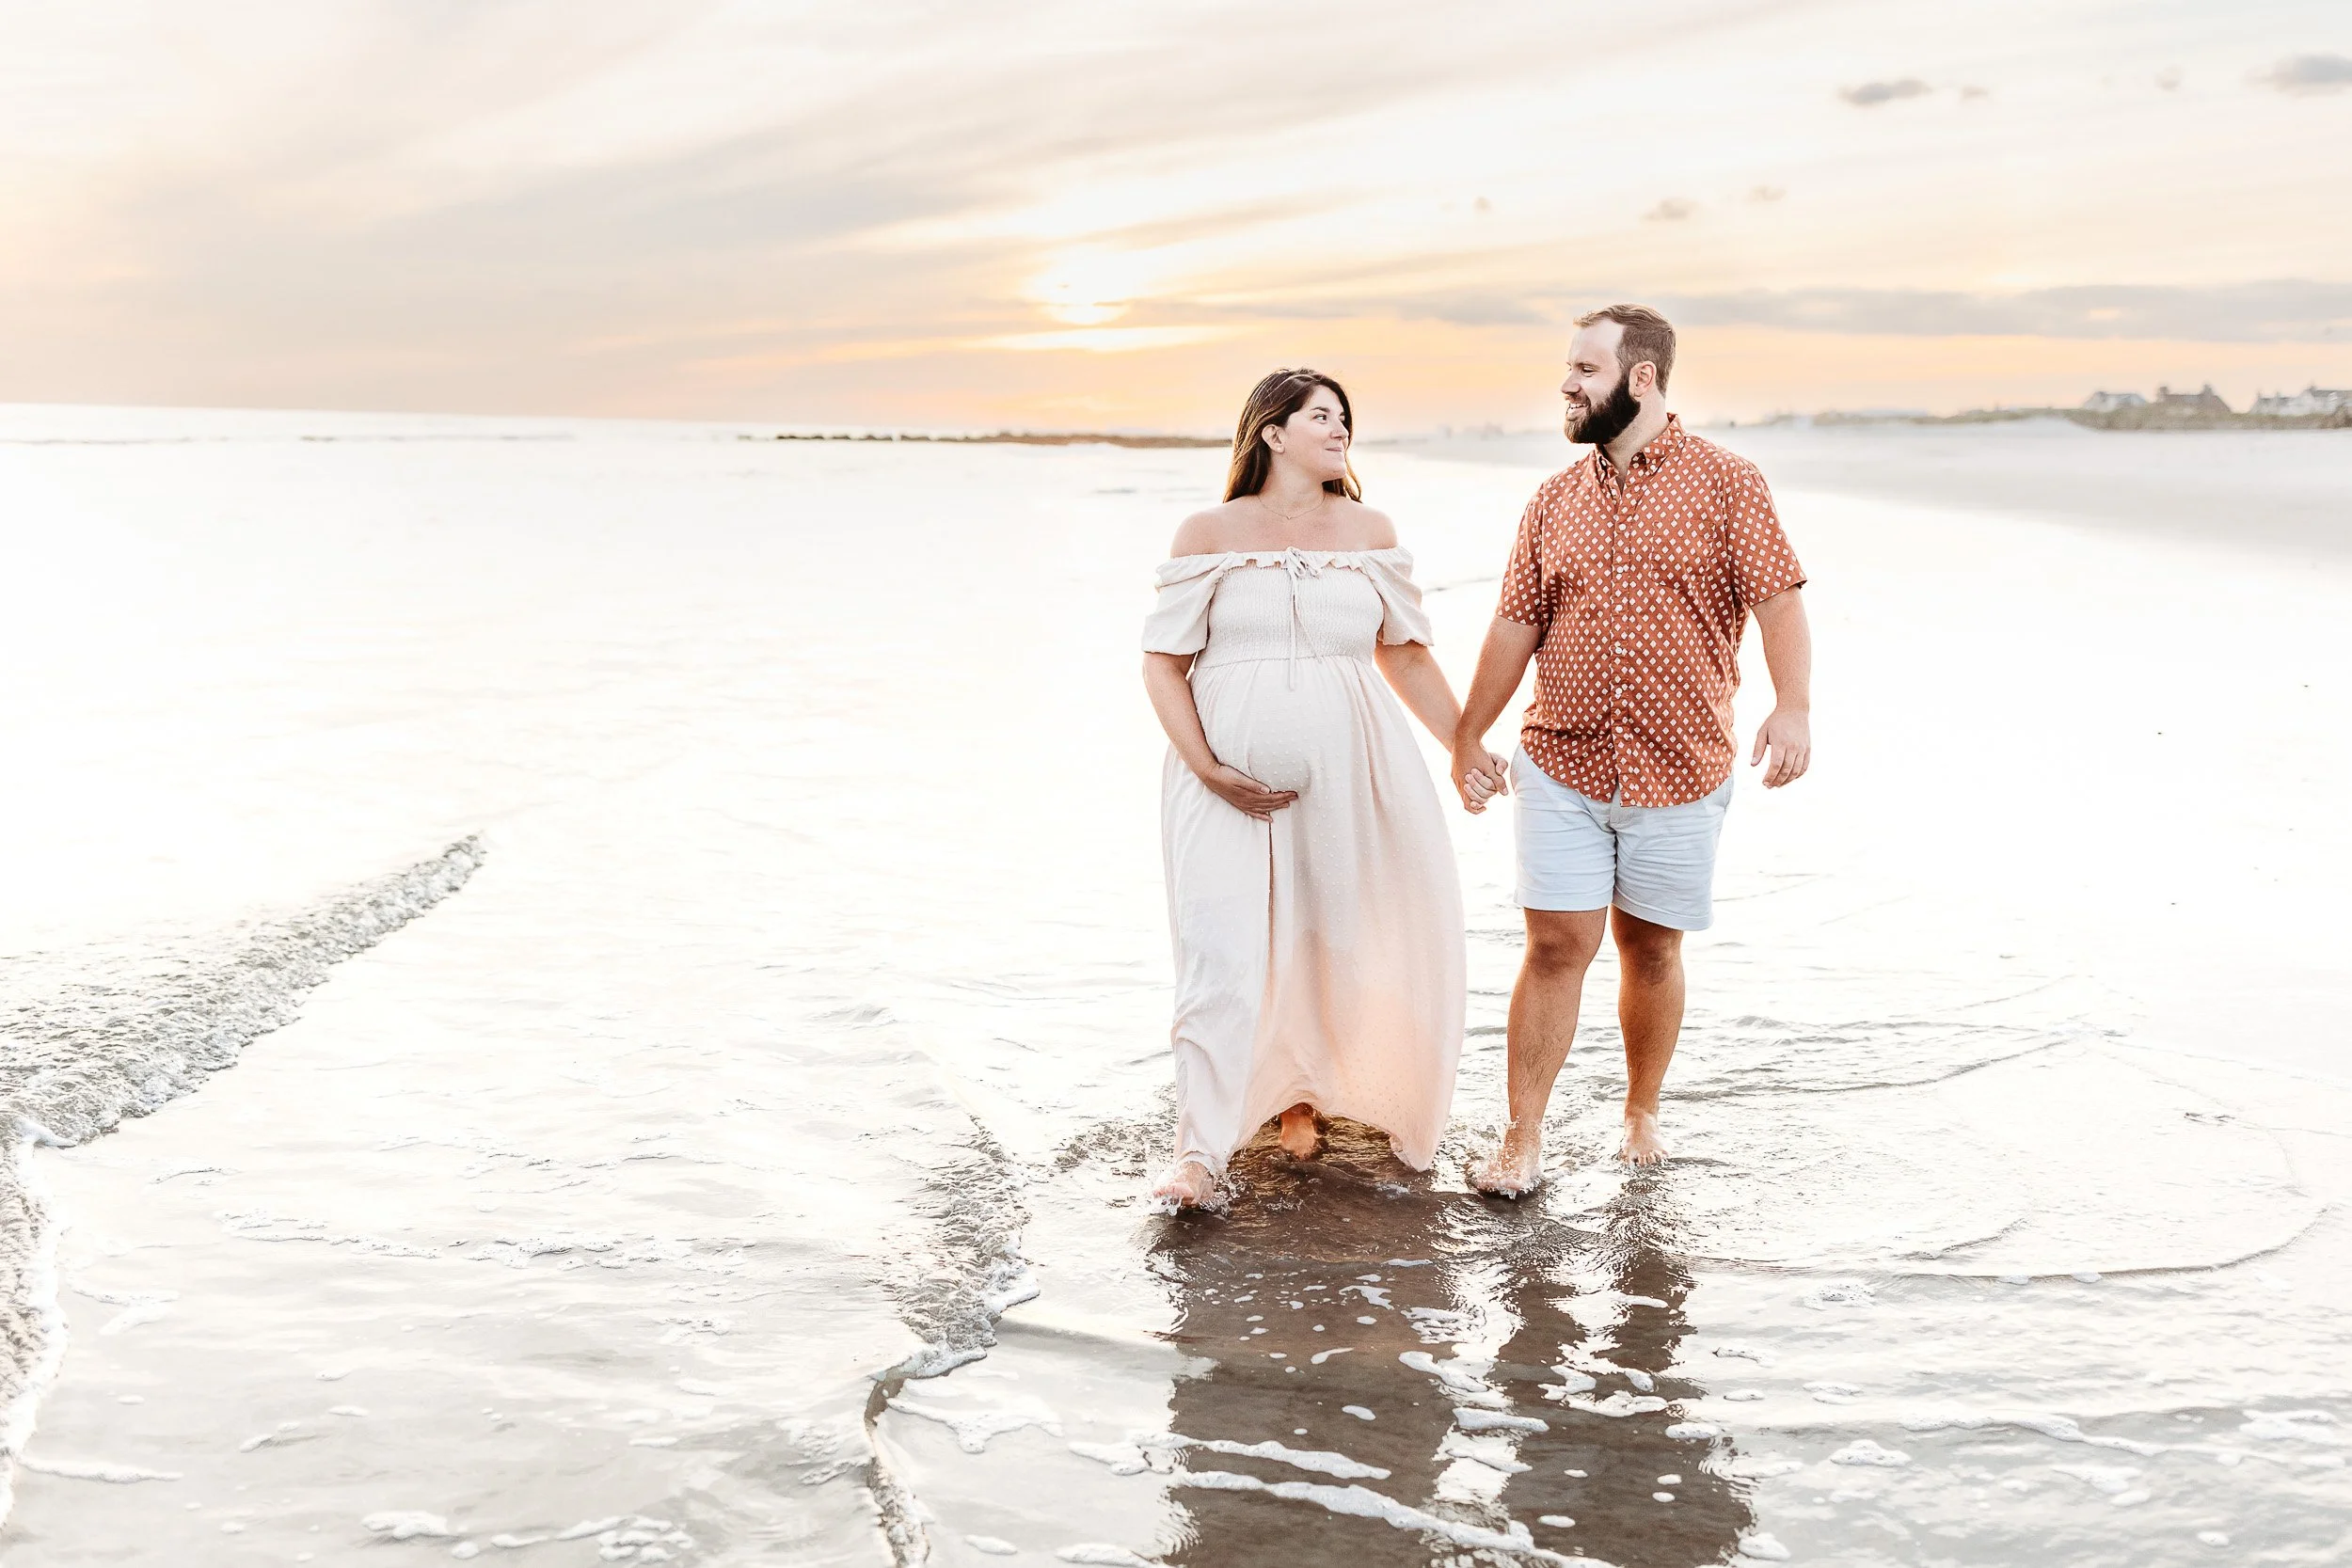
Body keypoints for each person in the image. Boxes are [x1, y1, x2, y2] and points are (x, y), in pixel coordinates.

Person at [1449, 305, 1813, 1195]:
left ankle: (1641, 1110)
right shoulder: (1552, 500)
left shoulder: (1729, 483)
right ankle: (1521, 1137)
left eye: (1586, 368)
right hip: (1562, 761)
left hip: (1681, 767)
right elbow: (1514, 625)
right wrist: (1468, 732)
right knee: (1556, 943)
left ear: (1640, 378)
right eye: (1569, 368)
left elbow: (1778, 601)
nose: (1568, 385)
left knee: (1649, 950)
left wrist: (1792, 705)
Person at [1141, 368, 1506, 1210]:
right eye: (1321, 416)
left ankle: (1305, 1098)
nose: (1340, 428)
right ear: (1271, 433)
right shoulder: (1207, 530)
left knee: (1341, 937)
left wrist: (1462, 744)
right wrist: (1207, 766)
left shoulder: (1369, 530)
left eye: (1345, 417)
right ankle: (1198, 1154)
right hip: (1221, 784)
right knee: (1220, 956)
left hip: (1358, 774)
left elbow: (1405, 653)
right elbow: (1164, 662)